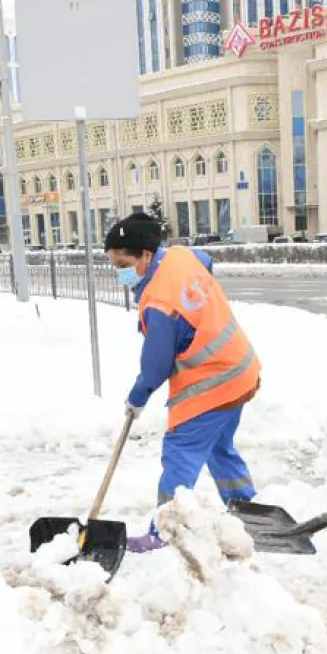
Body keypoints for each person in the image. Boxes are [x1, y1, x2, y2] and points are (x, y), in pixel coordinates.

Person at [103, 213, 262, 552]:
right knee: (219, 447)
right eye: (113, 263)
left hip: (211, 383)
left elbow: (156, 366)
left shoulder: (160, 303)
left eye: (124, 263)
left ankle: (163, 533)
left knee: (180, 453)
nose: (119, 270)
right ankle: (246, 508)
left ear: (146, 255)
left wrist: (138, 395)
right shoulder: (179, 256)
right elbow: (206, 260)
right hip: (240, 369)